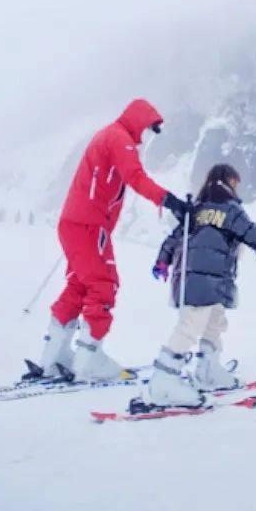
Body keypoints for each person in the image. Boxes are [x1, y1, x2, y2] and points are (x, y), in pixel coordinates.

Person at [26, 98, 187, 382]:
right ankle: (89, 360)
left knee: (79, 285)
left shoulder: (108, 135)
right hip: (89, 224)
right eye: (150, 129)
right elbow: (135, 177)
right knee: (104, 284)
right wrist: (168, 200)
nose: (148, 137)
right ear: (139, 122)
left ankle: (54, 356)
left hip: (75, 223)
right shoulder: (119, 139)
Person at [147, 163, 256, 408]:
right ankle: (162, 382)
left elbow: (174, 238)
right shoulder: (231, 210)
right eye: (235, 183)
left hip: (199, 280)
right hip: (205, 281)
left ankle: (209, 369)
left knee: (214, 321)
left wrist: (162, 262)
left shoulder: (195, 211)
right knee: (190, 326)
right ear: (228, 182)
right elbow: (252, 233)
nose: (236, 188)